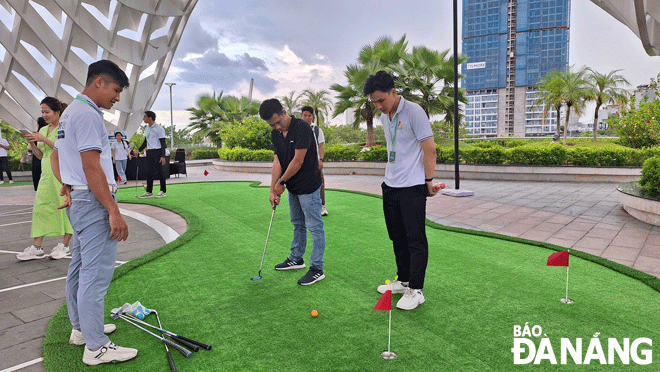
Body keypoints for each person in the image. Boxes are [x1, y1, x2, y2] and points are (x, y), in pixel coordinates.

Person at [51, 59, 137, 365]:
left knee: (79, 269)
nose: (117, 97)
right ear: (98, 82)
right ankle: (97, 346)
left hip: (81, 200)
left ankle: (82, 330)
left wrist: (66, 185)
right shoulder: (87, 114)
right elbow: (91, 166)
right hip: (93, 202)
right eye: (115, 90)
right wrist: (113, 211)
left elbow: (56, 154)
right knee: (94, 276)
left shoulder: (70, 112)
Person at [364, 71, 439, 310]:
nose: (377, 106)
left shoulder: (415, 112)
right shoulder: (385, 116)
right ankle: (403, 279)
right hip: (391, 185)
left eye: (381, 100)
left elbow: (430, 148)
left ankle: (416, 289)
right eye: (374, 102)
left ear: (393, 92)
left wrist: (428, 180)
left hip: (413, 186)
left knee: (415, 238)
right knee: (396, 236)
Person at [259, 98, 327, 286]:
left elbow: (298, 160)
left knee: (314, 226)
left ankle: (317, 268)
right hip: (293, 187)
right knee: (297, 223)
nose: (277, 127)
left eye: (278, 122)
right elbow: (278, 161)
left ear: (284, 112)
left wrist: (281, 182)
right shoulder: (276, 134)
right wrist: (273, 189)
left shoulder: (302, 128)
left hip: (309, 185)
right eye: (272, 125)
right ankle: (296, 258)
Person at [17, 98, 74, 261]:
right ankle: (37, 247)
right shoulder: (42, 130)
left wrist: (43, 140)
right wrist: (33, 144)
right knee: (40, 208)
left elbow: (63, 149)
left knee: (65, 210)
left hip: (62, 173)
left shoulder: (65, 128)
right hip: (46, 174)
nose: (44, 115)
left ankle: (64, 245)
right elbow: (40, 155)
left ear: (57, 112)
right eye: (42, 111)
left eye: (47, 111)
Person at [300, 106, 328, 216]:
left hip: (315, 163)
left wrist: (321, 159)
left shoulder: (317, 130)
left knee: (320, 184)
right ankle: (304, 207)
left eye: (309, 115)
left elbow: (321, 146)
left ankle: (322, 206)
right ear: (301, 116)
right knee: (302, 184)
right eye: (305, 115)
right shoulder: (297, 130)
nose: (307, 117)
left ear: (313, 117)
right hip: (300, 163)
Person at [137, 111, 167, 198]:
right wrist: (139, 150)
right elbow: (146, 141)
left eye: (145, 117)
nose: (144, 119)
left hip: (158, 152)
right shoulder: (147, 129)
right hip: (149, 152)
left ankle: (163, 191)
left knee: (160, 172)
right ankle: (149, 192)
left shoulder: (159, 128)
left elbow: (163, 143)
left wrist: (163, 156)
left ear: (150, 118)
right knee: (149, 172)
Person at [29, 118, 48, 191]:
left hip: (38, 160)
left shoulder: (37, 134)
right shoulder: (41, 133)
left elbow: (29, 148)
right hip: (41, 158)